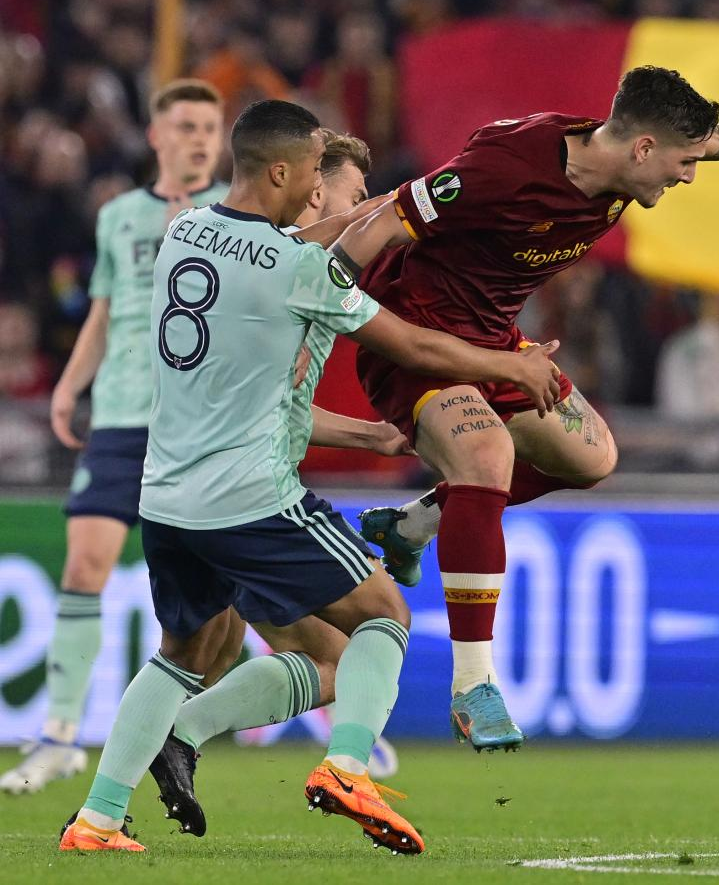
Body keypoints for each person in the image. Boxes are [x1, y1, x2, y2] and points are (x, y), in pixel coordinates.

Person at [59, 99, 561, 854]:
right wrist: (508, 366)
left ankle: (97, 821)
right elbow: (412, 345)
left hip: (167, 498)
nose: (319, 194)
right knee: (384, 613)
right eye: (315, 178)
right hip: (251, 500)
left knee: (183, 657)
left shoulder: (182, 232)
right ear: (283, 173)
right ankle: (348, 767)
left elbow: (308, 242)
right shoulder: (297, 272)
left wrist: (382, 210)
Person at [331, 65, 719, 752]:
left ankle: (414, 524)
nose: (688, 176)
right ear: (642, 149)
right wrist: (313, 312)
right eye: (681, 162)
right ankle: (474, 685)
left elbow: (696, 142)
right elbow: (378, 224)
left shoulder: (624, 162)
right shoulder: (502, 169)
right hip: (416, 338)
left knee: (590, 457)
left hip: (496, 341)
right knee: (487, 455)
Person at [147, 130, 408, 838]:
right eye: (349, 189)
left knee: (218, 658)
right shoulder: (292, 265)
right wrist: (405, 204)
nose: (354, 203)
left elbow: (283, 406)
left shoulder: (249, 248)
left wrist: (372, 437)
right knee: (355, 635)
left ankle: (113, 799)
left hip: (194, 486)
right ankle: (183, 743)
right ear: (313, 185)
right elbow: (358, 251)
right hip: (247, 499)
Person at [0, 79, 228, 795]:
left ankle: (200, 728)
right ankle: (59, 736)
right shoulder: (119, 216)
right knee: (83, 565)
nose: (199, 139)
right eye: (185, 126)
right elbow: (105, 311)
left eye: (209, 128)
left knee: (216, 599)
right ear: (155, 136)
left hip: (201, 425)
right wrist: (70, 385)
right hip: (124, 417)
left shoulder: (236, 215)